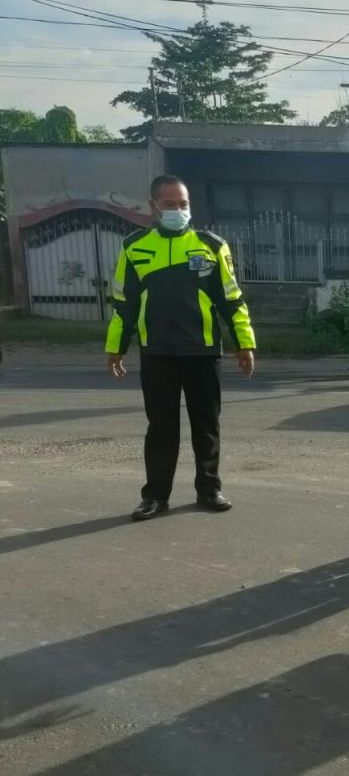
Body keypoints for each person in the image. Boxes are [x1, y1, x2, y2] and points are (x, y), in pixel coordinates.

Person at [105, 174, 256, 521]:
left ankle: (209, 489)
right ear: (154, 207)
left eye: (183, 204)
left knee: (207, 425)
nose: (177, 210)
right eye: (170, 205)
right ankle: (155, 496)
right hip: (156, 352)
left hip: (203, 351)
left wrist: (244, 343)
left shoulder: (211, 245)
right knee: (161, 427)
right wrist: (115, 349)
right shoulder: (135, 246)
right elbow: (123, 304)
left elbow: (232, 299)